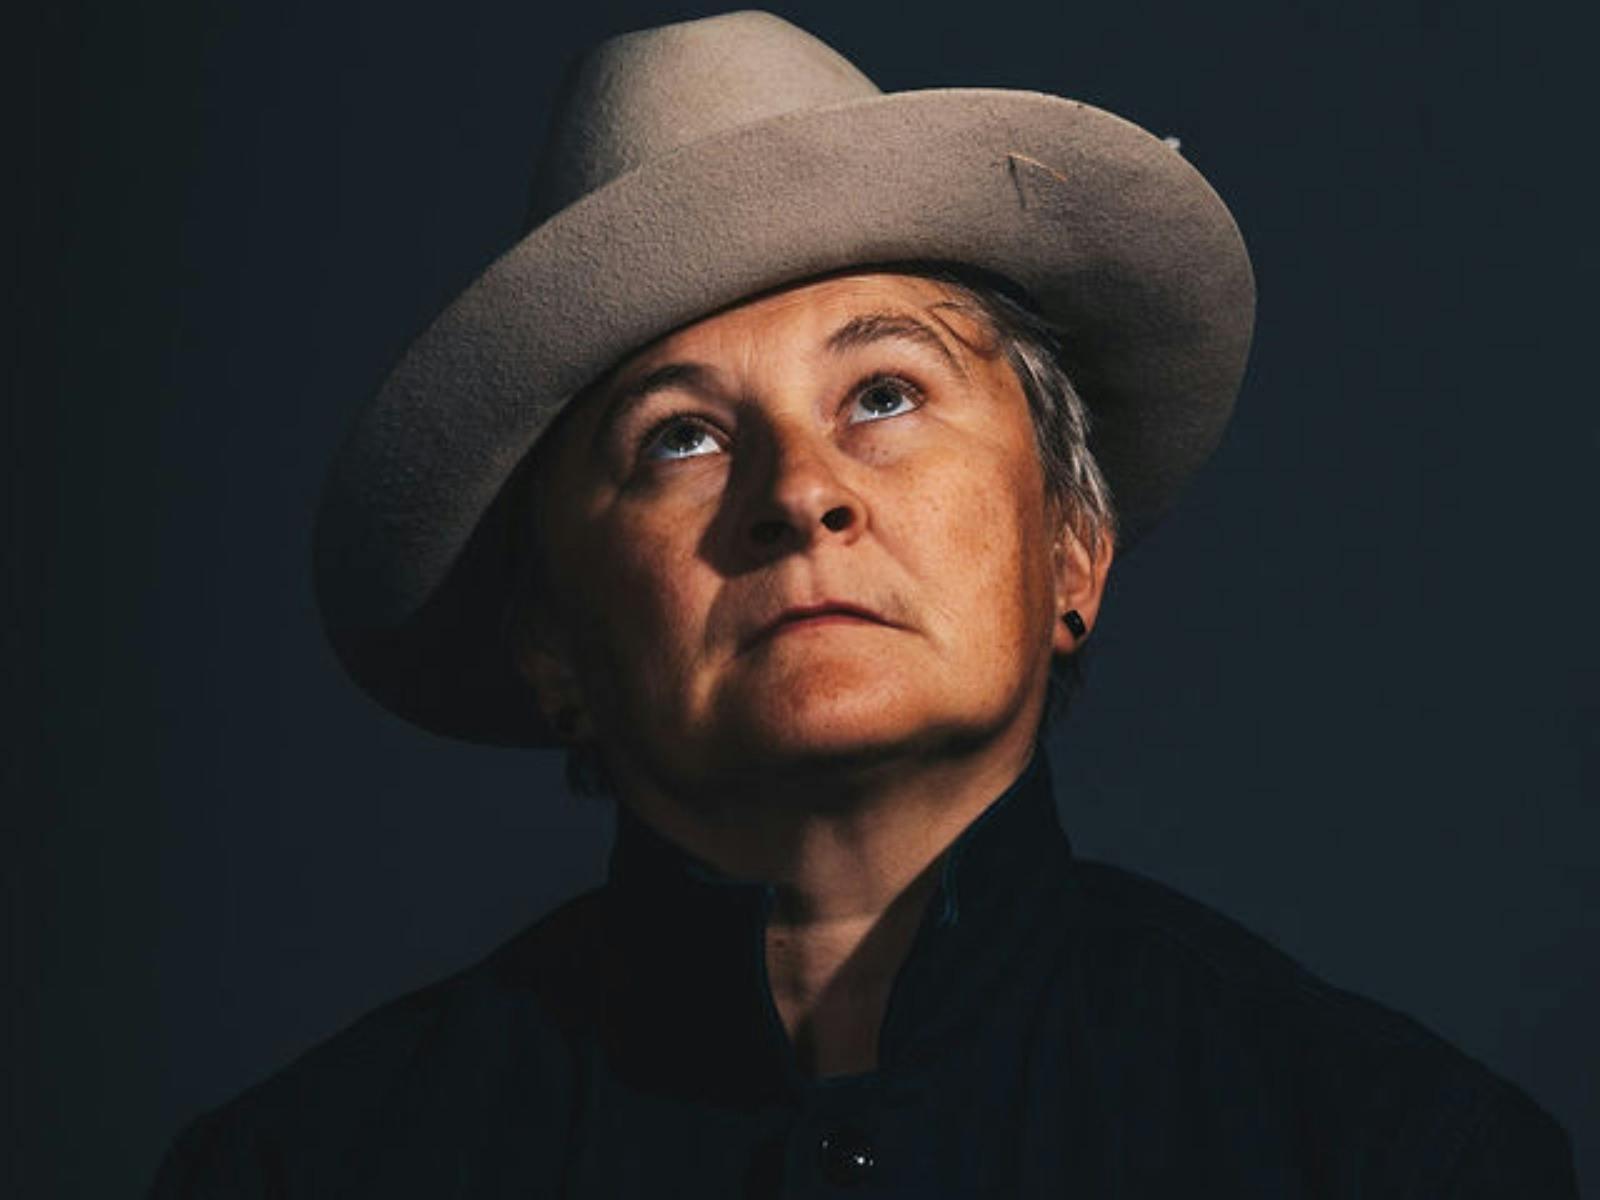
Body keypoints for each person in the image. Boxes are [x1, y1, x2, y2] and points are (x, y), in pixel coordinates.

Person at [150, 11, 1577, 1197]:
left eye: (884, 393)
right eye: (679, 437)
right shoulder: (303, 1172)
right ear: (553, 643)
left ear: (1073, 545)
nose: (800, 493)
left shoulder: (1395, 1157)